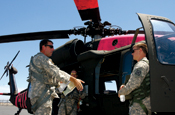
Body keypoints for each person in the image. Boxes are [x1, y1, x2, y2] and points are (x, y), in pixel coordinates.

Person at [28, 39, 84, 115]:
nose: (53, 49)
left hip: (39, 97)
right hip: (42, 97)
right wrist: (74, 80)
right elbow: (57, 72)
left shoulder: (37, 59)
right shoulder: (41, 58)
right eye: (50, 47)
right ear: (43, 47)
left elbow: (48, 78)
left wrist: (63, 81)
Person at [118, 43, 151, 115]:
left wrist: (122, 92)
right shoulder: (148, 64)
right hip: (145, 103)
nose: (132, 54)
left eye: (133, 51)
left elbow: (134, 83)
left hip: (140, 105)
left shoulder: (140, 65)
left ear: (140, 50)